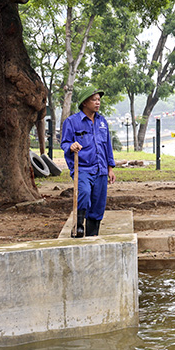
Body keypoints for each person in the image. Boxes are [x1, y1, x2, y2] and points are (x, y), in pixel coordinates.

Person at [60, 86, 116, 237]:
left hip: (101, 169)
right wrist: (71, 146)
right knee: (84, 193)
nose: (97, 103)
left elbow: (108, 146)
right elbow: (64, 143)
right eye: (94, 100)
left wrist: (110, 168)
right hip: (83, 168)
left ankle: (92, 235)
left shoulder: (102, 122)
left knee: (98, 203)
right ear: (85, 103)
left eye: (99, 100)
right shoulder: (72, 122)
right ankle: (78, 226)